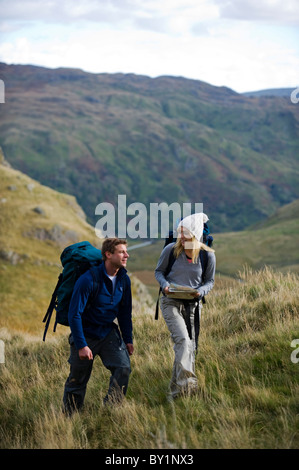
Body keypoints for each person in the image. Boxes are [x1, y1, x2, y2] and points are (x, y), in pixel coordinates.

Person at [63, 238, 133, 415]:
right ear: (108, 255)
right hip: (85, 334)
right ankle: (70, 419)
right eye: (121, 252)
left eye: (126, 251)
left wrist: (128, 339)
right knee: (77, 381)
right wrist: (81, 345)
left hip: (108, 332)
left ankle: (110, 411)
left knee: (123, 368)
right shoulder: (88, 280)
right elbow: (74, 314)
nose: (127, 255)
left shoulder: (124, 279)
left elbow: (124, 313)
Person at [155, 213, 215, 400]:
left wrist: (201, 292)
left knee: (190, 346)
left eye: (185, 233)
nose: (180, 237)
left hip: (193, 305)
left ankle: (174, 395)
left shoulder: (207, 256)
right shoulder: (171, 250)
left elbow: (209, 282)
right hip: (170, 302)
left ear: (195, 234)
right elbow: (159, 272)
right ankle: (189, 386)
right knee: (183, 340)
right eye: (179, 232)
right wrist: (164, 285)